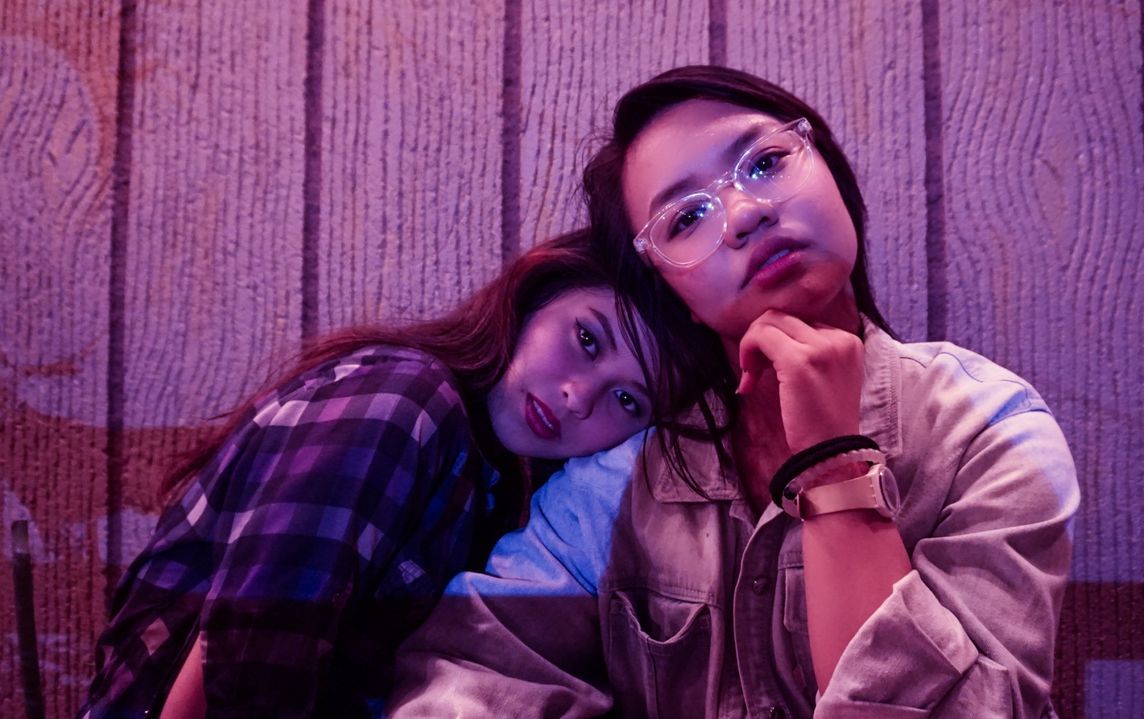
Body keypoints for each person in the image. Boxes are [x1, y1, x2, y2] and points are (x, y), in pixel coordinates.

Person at [388, 66, 1080, 718]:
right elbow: (472, 665)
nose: (745, 214)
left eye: (766, 163)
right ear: (673, 291)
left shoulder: (990, 429)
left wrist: (834, 464)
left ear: (832, 172)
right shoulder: (630, 472)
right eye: (686, 219)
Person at [77, 228, 719, 719]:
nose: (580, 396)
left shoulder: (494, 488)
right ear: (536, 293)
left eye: (628, 401)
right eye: (586, 340)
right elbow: (248, 658)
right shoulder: (405, 399)